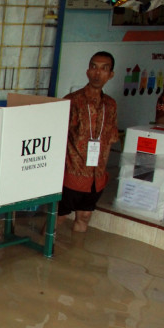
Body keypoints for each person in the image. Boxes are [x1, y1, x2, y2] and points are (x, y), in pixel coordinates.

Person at [57, 51, 119, 233]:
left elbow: (110, 139)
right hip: (72, 174)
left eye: (104, 69)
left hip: (96, 176)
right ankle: (44, 253)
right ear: (87, 71)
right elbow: (59, 136)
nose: (97, 73)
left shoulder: (111, 105)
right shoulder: (72, 101)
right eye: (94, 67)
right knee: (58, 217)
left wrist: (102, 170)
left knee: (84, 216)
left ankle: (74, 258)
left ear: (111, 75)